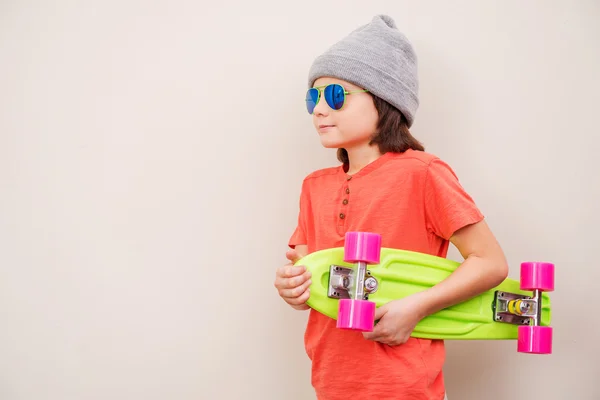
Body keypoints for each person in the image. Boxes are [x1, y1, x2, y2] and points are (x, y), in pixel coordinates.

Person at [274, 14, 509, 400]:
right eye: (312, 98)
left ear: (384, 98)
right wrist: (291, 286)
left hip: (403, 384)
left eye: (334, 95)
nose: (318, 109)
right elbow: (311, 277)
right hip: (331, 379)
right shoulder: (313, 187)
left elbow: (490, 263)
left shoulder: (423, 174)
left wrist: (415, 308)